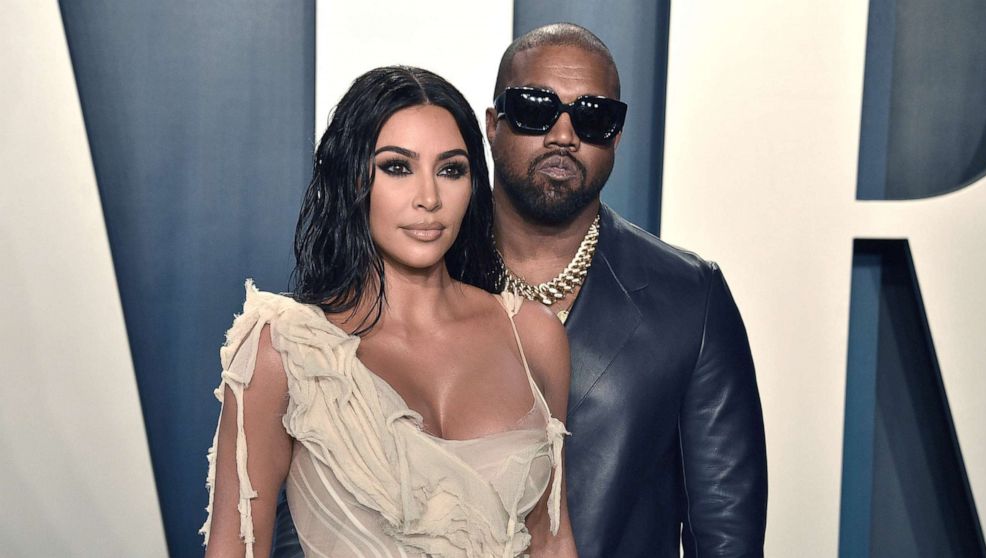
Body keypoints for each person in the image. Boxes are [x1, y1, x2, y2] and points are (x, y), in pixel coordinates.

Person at [274, 23, 767, 558]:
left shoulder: (690, 298)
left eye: (594, 117)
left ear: (618, 137)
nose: (563, 134)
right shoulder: (397, 278)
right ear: (492, 124)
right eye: (535, 107)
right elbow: (301, 508)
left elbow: (726, 535)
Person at [201, 66, 578, 557]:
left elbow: (553, 540)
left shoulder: (533, 336)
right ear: (354, 177)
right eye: (398, 167)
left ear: (472, 185)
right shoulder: (283, 353)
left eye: (451, 169)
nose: (428, 198)